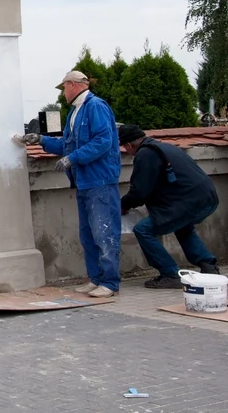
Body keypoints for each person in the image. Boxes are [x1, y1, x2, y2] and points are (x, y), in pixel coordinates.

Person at [14, 71, 122, 297]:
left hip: (99, 180)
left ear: (73, 85)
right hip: (85, 181)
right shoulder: (76, 111)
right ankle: (96, 279)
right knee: (88, 234)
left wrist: (73, 158)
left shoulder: (95, 106)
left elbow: (103, 141)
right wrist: (42, 140)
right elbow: (67, 145)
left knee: (104, 232)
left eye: (64, 88)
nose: (63, 94)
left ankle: (110, 283)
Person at [118, 124, 220, 288]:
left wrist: (122, 206)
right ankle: (209, 266)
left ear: (128, 145)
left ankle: (170, 273)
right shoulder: (164, 147)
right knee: (183, 226)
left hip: (189, 202)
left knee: (143, 230)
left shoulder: (145, 154)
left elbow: (140, 192)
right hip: (208, 198)